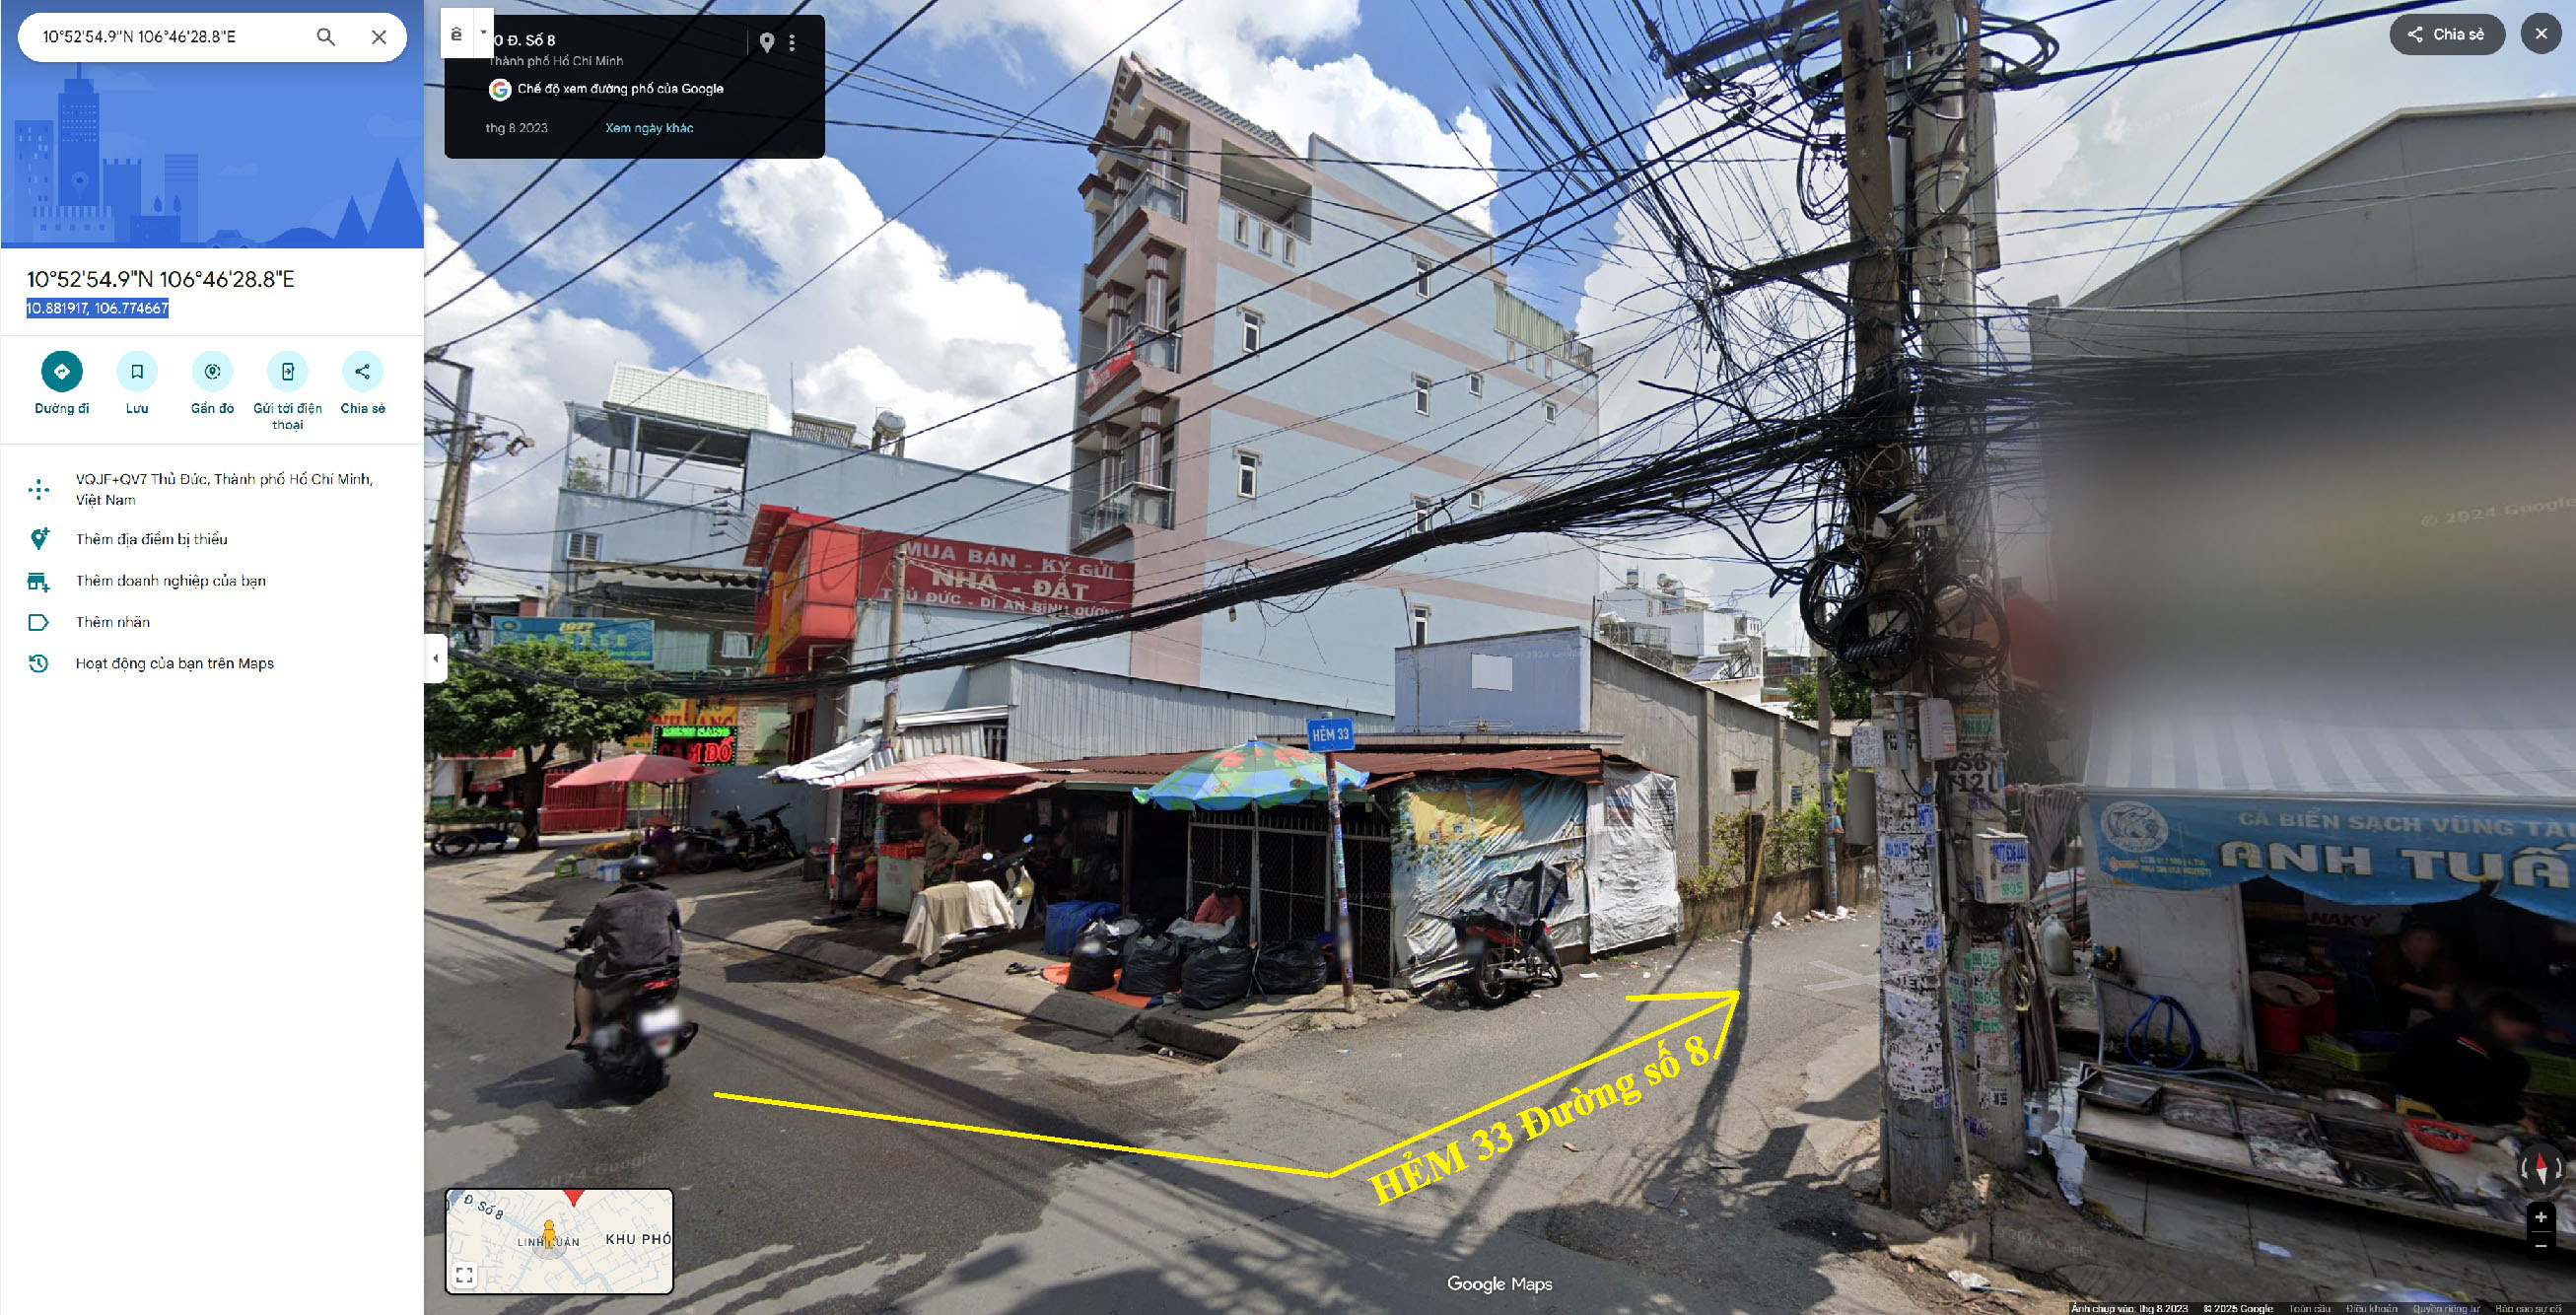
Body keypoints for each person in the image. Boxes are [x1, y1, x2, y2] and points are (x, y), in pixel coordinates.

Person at [566, 854, 684, 1049]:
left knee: (585, 980)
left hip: (620, 970)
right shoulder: (666, 897)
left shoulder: (607, 904)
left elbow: (585, 934)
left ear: (622, 879)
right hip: (664, 968)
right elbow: (676, 924)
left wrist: (573, 942)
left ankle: (585, 1034)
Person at [2391, 992, 2543, 1134]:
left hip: (2449, 1077)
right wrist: (2515, 1114)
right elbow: (2473, 1082)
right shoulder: (2462, 1035)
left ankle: (2497, 1114)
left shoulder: (2478, 1029)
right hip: (2421, 1084)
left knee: (2517, 1064)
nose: (2518, 1041)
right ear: (2499, 1018)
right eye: (2519, 1034)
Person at [2370, 923, 2461, 1022]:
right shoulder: (2389, 950)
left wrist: (2446, 991)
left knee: (2455, 1003)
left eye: (2431, 939)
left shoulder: (2431, 950)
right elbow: (2391, 980)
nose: (2428, 944)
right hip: (2391, 989)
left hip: (2417, 982)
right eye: (2420, 939)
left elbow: (2445, 967)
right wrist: (2432, 994)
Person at [917, 807, 959, 886]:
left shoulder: (940, 832)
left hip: (938, 872)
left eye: (925, 819)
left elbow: (954, 843)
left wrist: (945, 862)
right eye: (921, 820)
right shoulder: (927, 834)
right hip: (930, 871)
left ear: (933, 819)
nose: (922, 823)